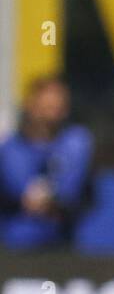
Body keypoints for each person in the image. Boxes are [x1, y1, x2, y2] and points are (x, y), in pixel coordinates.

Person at [0, 76, 95, 250]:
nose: (50, 115)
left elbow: (73, 192)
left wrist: (52, 201)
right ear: (30, 105)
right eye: (45, 108)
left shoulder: (75, 143)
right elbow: (15, 190)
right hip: (14, 246)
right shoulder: (10, 149)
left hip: (62, 245)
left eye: (57, 108)